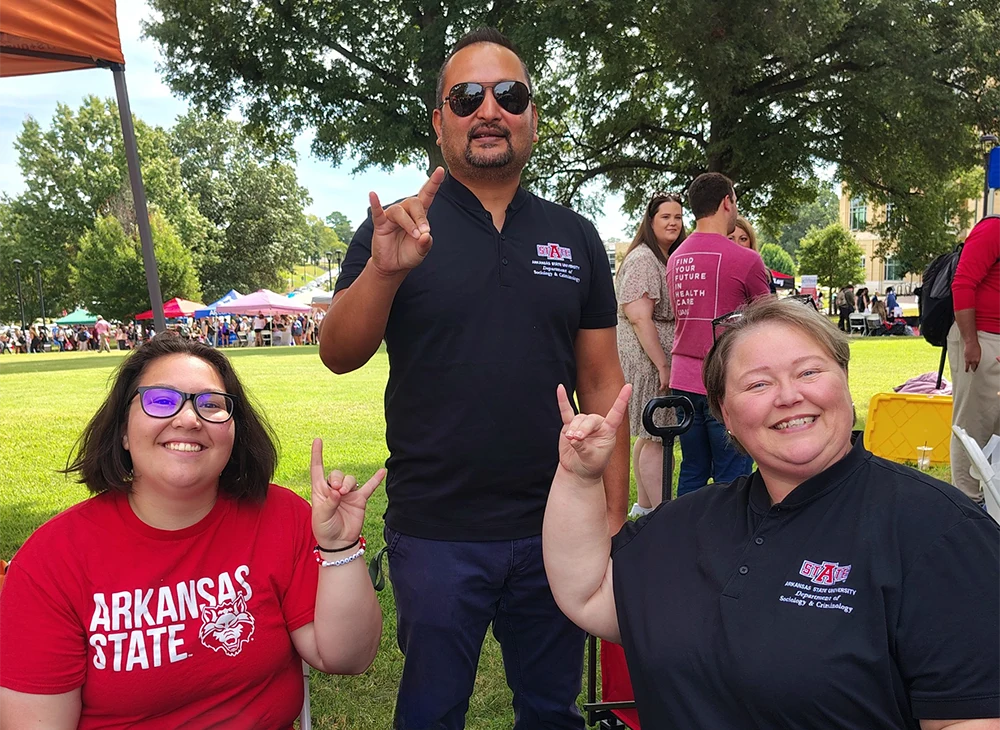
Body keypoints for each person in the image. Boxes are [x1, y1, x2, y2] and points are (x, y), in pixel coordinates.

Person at [320, 27, 627, 730]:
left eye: (509, 94)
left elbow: (602, 381)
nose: (489, 110)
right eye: (467, 97)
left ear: (532, 117)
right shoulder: (395, 228)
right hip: (437, 529)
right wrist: (385, 270)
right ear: (440, 121)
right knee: (431, 712)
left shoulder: (574, 235)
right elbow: (338, 352)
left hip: (557, 521)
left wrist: (611, 513)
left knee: (552, 710)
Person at [543, 296, 1000, 729]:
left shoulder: (942, 535)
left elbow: (970, 715)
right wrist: (580, 477)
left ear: (844, 382)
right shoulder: (686, 523)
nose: (788, 396)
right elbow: (589, 593)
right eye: (758, 383)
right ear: (723, 412)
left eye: (809, 372)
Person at [0, 334, 384, 727]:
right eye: (161, 401)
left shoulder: (281, 516)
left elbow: (347, 657)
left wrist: (339, 547)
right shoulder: (51, 561)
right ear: (124, 432)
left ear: (233, 433)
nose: (188, 419)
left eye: (211, 405)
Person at [666, 172, 770, 496]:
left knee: (692, 469)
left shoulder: (675, 258)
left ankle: (685, 536)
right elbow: (769, 320)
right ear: (727, 202)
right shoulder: (747, 259)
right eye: (735, 202)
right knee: (733, 473)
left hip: (682, 380)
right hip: (726, 380)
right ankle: (730, 541)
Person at [616, 192, 685, 518]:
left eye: (678, 217)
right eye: (666, 217)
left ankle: (644, 508)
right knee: (658, 436)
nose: (673, 223)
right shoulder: (644, 259)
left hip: (651, 356)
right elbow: (639, 316)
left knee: (649, 433)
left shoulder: (663, 256)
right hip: (647, 358)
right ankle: (661, 512)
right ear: (650, 221)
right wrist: (663, 363)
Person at [949, 215, 1000, 503]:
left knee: (995, 426)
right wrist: (971, 341)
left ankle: (992, 499)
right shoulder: (993, 229)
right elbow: (963, 283)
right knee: (973, 425)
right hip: (980, 337)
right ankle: (967, 502)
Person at [729, 216, 776, 294]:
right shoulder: (716, 270)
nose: (737, 244)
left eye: (743, 239)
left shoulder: (765, 274)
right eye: (730, 239)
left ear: (751, 242)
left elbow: (772, 303)